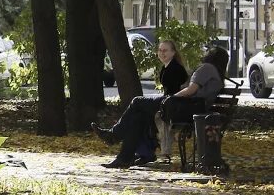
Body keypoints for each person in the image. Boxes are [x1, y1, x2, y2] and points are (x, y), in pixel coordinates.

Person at [94, 46, 226, 169]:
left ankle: (114, 135)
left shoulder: (207, 68)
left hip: (182, 108)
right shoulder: (217, 74)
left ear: (211, 56)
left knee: (137, 101)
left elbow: (191, 90)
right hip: (191, 110)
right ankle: (124, 158)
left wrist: (171, 98)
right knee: (139, 117)